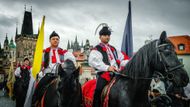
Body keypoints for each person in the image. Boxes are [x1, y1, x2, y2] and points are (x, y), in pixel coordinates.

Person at [88, 25, 129, 107]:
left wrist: (130, 62)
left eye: (108, 35)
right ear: (100, 37)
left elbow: (122, 60)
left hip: (117, 74)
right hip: (104, 74)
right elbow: (94, 61)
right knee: (99, 90)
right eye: (105, 35)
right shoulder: (96, 49)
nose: (107, 37)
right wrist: (107, 68)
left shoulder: (113, 49)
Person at [32, 31, 76, 106]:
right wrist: (37, 72)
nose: (55, 40)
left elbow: (72, 60)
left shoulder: (64, 52)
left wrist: (66, 65)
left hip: (61, 75)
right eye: (53, 39)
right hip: (48, 75)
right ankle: (35, 102)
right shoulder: (44, 53)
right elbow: (38, 64)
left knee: (74, 86)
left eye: (57, 39)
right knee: (39, 87)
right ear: (50, 40)